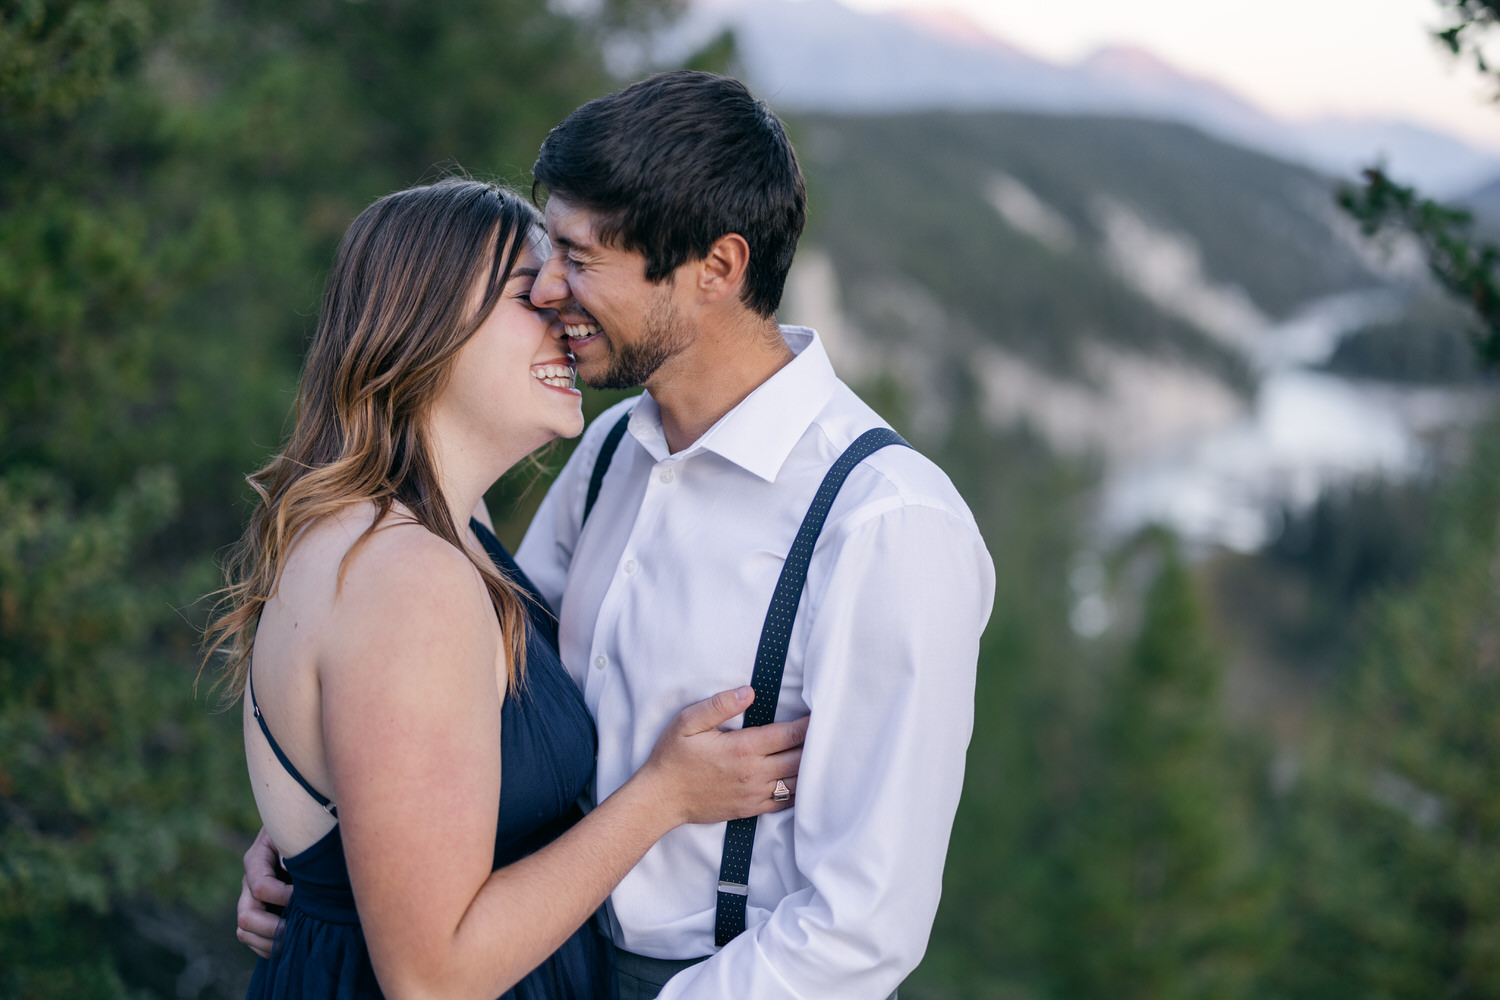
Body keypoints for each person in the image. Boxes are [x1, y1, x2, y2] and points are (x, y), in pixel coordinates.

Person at [242, 71, 995, 999]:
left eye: (579, 258)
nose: (554, 291)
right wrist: (338, 831)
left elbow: (861, 929)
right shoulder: (609, 456)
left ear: (715, 271)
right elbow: (465, 709)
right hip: (520, 958)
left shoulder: (884, 523)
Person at [209, 176, 809, 1000]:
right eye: (532, 296)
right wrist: (663, 799)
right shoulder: (408, 574)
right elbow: (431, 977)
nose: (567, 319)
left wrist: (330, 846)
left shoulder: (441, 530)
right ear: (425, 325)